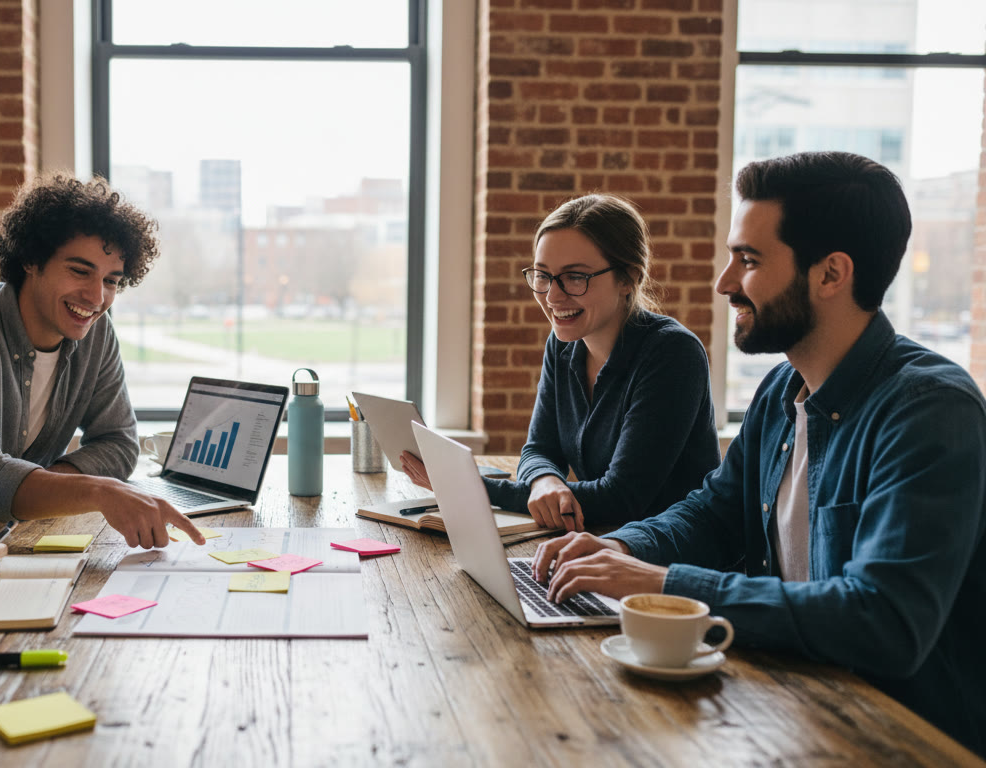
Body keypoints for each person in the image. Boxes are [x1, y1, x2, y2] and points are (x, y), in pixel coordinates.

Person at [534, 152, 986, 756]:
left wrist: (661, 582)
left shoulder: (929, 408)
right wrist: (619, 548)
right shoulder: (782, 389)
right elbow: (713, 513)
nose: (723, 282)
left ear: (830, 274)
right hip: (788, 706)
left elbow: (883, 621)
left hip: (896, 738)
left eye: (747, 260)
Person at [0, 174, 203, 549]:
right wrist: (95, 491)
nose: (97, 297)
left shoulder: (95, 333)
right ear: (32, 260)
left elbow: (119, 442)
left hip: (2, 540)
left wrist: (51, 487)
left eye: (112, 281)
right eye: (80, 271)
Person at [402, 194, 719, 532]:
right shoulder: (564, 344)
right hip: (603, 544)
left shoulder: (672, 353)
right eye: (543, 275)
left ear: (627, 278)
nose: (553, 297)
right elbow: (539, 448)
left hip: (671, 563)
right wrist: (543, 480)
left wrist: (464, 484)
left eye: (575, 277)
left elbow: (621, 498)